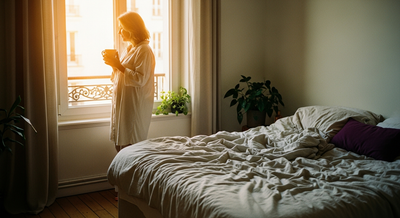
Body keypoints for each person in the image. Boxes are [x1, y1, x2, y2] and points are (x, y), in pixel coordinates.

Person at [102, 11, 155, 152]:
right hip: (124, 110)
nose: (119, 32)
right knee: (120, 148)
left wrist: (119, 65)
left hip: (133, 111)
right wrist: (115, 66)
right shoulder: (131, 49)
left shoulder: (144, 50)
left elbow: (140, 79)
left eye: (122, 27)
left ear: (131, 29)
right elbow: (120, 77)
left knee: (129, 149)